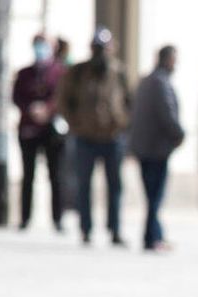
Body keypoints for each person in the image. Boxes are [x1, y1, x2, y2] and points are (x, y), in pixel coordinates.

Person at [57, 28, 131, 246]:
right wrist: (75, 123)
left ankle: (115, 229)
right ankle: (86, 228)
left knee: (115, 186)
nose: (101, 53)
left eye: (104, 48)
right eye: (97, 48)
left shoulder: (119, 72)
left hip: (112, 137)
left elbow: (129, 101)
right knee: (84, 185)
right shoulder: (78, 72)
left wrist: (122, 122)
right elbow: (63, 101)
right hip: (85, 137)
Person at [130, 45, 184, 252]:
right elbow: (167, 115)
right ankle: (152, 237)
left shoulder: (146, 81)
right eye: (174, 59)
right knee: (155, 196)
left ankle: (154, 235)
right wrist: (179, 134)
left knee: (151, 195)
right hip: (156, 149)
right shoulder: (160, 83)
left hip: (144, 147)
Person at [12, 34, 67, 232]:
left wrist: (48, 110)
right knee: (28, 175)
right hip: (28, 128)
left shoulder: (60, 72)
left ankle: (58, 218)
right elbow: (17, 96)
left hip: (52, 130)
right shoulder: (25, 73)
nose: (41, 49)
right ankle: (25, 218)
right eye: (38, 45)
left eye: (45, 45)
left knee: (56, 175)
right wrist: (30, 109)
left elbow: (63, 96)